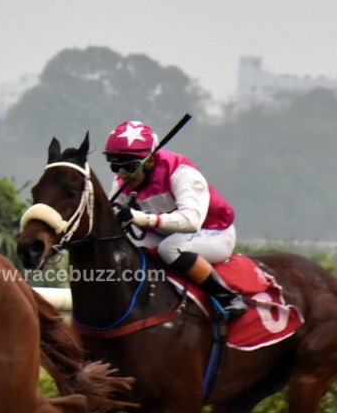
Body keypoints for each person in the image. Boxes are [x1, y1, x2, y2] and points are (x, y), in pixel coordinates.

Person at [104, 120, 247, 319]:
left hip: (213, 232)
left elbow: (191, 221)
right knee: (127, 249)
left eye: (129, 166)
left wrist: (141, 218)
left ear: (151, 160)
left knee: (169, 249)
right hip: (168, 233)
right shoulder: (122, 179)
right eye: (115, 166)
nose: (122, 174)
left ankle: (227, 297)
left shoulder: (181, 173)